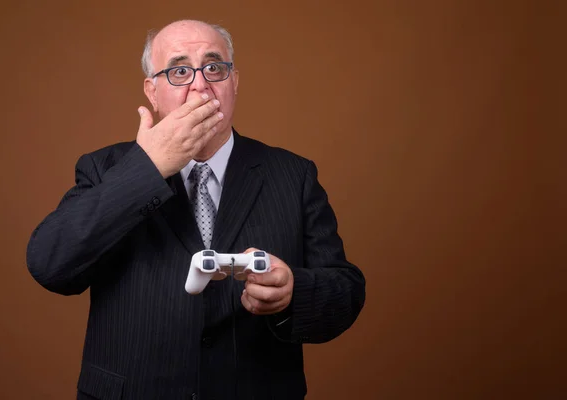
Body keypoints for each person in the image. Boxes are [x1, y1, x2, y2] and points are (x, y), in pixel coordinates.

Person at [26, 19, 366, 400]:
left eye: (214, 67)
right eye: (179, 70)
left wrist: (293, 293)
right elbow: (50, 265)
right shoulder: (103, 168)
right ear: (152, 92)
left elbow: (346, 292)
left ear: (234, 82)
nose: (200, 84)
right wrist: (147, 168)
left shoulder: (293, 174)